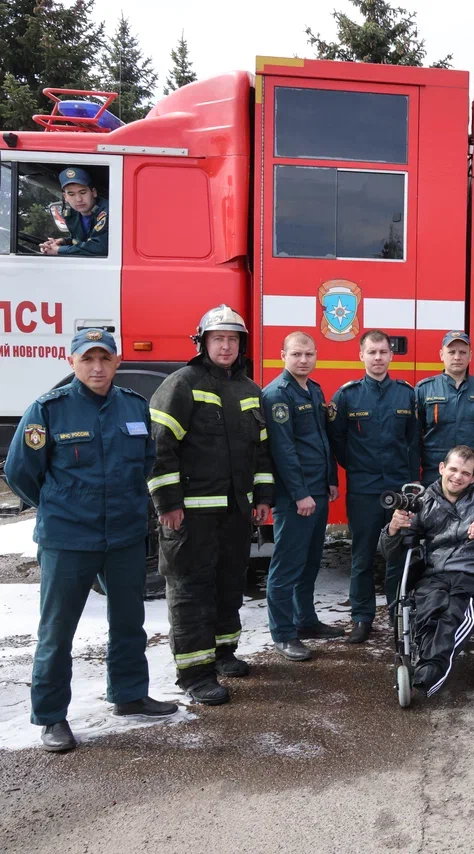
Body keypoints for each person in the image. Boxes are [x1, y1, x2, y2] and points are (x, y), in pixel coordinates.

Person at [5, 329, 177, 752]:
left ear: (117, 362)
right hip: (68, 539)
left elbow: (146, 463)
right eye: (88, 360)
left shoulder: (136, 408)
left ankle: (129, 694)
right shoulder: (48, 410)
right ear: (72, 362)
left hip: (122, 536)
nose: (97, 368)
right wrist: (57, 507)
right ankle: (51, 717)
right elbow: (20, 472)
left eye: (105, 359)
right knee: (57, 630)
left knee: (128, 621)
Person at [148, 305, 274, 705]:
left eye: (233, 339)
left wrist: (264, 498)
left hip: (235, 512)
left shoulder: (250, 391)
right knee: (190, 590)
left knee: (228, 583)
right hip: (191, 515)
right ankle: (194, 673)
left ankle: (222, 654)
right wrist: (168, 504)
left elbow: (262, 453)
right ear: (202, 342)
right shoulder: (181, 385)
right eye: (218, 338)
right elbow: (159, 451)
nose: (226, 346)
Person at [379, 446, 474, 696]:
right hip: (435, 571)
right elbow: (388, 552)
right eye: (454, 469)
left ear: (473, 478)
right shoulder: (423, 501)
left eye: (465, 473)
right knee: (428, 610)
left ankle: (432, 670)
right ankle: (429, 664)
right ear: (442, 468)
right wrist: (393, 529)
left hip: (473, 571)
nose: (457, 477)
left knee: (454, 612)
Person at [330, 329, 420, 643]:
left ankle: (398, 615)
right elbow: (337, 441)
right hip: (364, 490)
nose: (378, 358)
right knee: (362, 556)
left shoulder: (407, 394)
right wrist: (356, 466)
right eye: (372, 352)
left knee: (399, 554)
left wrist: (411, 486)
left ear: (391, 355)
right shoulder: (347, 395)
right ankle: (362, 618)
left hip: (398, 490)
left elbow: (413, 441)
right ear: (361, 356)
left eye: (383, 352)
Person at [262, 332, 341, 661]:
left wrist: (332, 480)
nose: (303, 360)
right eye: (296, 354)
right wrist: (300, 494)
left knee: (309, 563)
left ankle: (305, 621)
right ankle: (283, 633)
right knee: (287, 566)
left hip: (317, 491)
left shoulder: (314, 389)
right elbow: (283, 451)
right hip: (297, 498)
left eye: (309, 354)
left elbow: (323, 439)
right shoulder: (278, 394)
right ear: (283, 355)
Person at [416, 330, 474, 486]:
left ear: (470, 356)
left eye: (462, 352)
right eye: (451, 352)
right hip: (436, 476)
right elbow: (412, 437)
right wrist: (414, 476)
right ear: (441, 355)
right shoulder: (424, 389)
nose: (457, 357)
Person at [39, 167, 108, 257]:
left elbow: (99, 247)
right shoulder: (71, 214)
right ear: (65, 197)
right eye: (71, 194)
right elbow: (81, 240)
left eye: (83, 192)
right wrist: (63, 241)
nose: (78, 199)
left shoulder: (109, 211)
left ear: (93, 192)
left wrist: (59, 250)